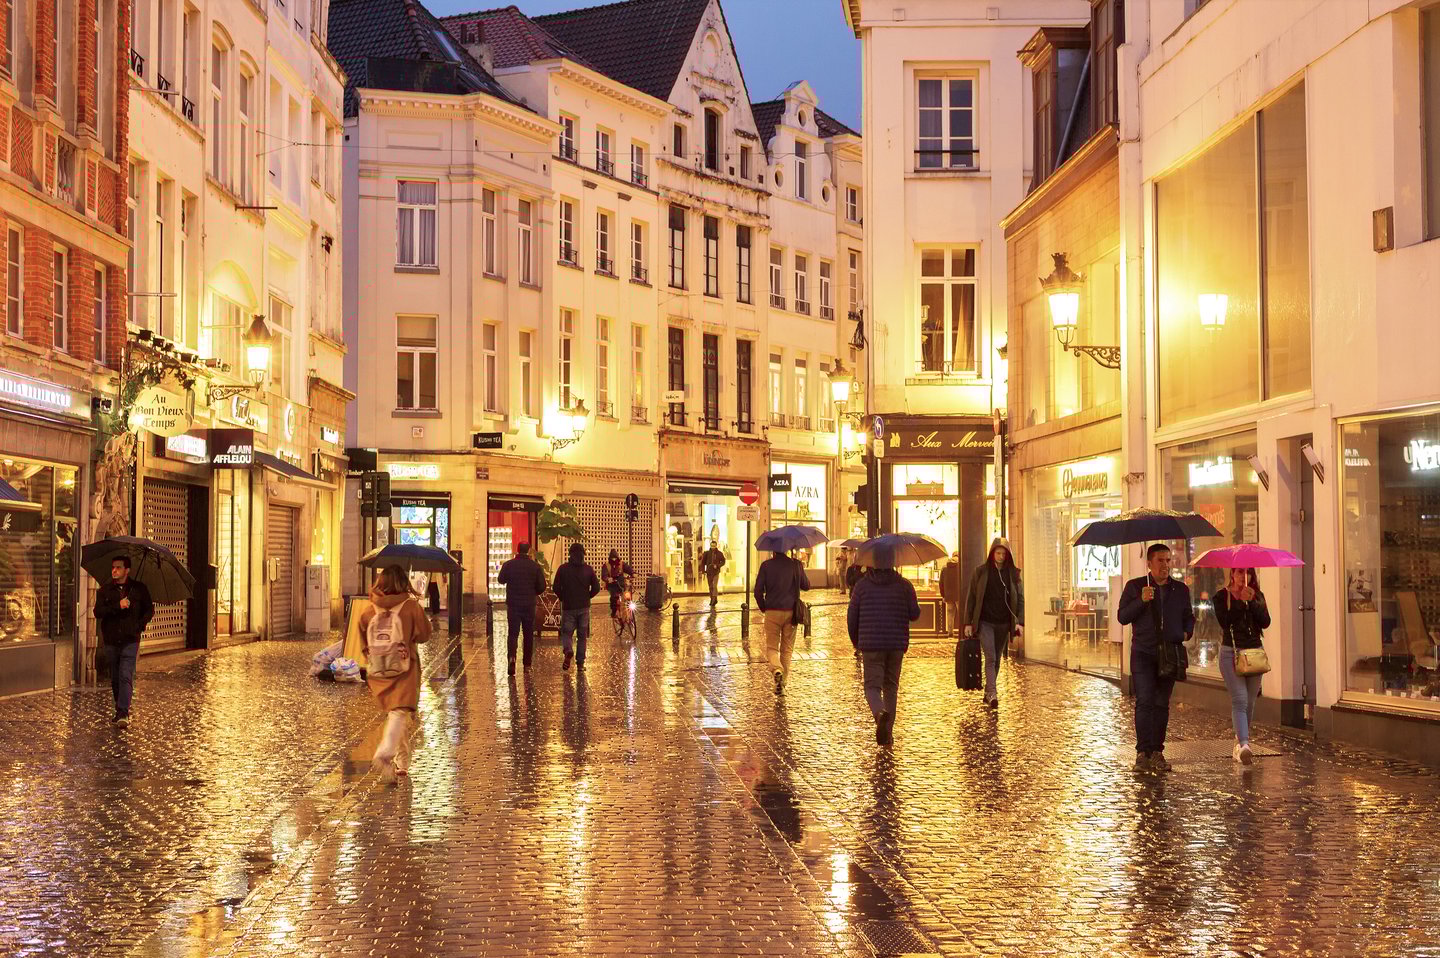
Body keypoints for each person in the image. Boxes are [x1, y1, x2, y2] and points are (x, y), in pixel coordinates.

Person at [1116, 543, 1195, 772]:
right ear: (1149, 563)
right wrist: (1141, 600)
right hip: (1143, 652)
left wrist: (1186, 633)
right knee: (1145, 702)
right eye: (1160, 560)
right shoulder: (1135, 586)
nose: (1165, 565)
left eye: (1168, 560)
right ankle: (1143, 752)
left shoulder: (1179, 590)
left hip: (1169, 653)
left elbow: (1188, 617)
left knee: (1161, 704)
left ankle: (1157, 752)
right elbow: (1122, 617)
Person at [359, 565, 432, 784]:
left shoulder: (369, 609)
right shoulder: (410, 607)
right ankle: (385, 753)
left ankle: (401, 762)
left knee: (395, 712)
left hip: (378, 669)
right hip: (404, 667)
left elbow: (363, 639)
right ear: (403, 583)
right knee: (400, 711)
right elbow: (425, 634)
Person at [847, 552, 921, 745]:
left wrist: (857, 641)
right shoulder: (904, 585)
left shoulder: (861, 586)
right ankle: (887, 734)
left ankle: (880, 714)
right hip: (896, 643)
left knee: (872, 686)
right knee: (891, 686)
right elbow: (915, 614)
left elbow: (852, 616)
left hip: (870, 643)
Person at [1213, 567, 1270, 765]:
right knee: (1240, 698)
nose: (1243, 577)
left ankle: (1239, 741)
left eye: (1248, 573)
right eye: (1239, 572)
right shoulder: (1222, 596)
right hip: (1231, 653)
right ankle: (1245, 744)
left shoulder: (1257, 595)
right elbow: (1224, 621)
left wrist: (1253, 602)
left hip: (1254, 653)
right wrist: (1239, 603)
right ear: (1232, 574)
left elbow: (1265, 622)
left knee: (1250, 702)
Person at [962, 539, 1024, 708]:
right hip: (985, 622)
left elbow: (1020, 599)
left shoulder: (1013, 574)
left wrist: (1020, 622)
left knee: (996, 660)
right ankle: (992, 694)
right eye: (998, 553)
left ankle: (989, 691)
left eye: (1004, 554)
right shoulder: (981, 572)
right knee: (991, 657)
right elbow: (972, 598)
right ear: (992, 553)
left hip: (1004, 623)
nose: (1001, 557)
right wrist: (968, 623)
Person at [93, 556, 154, 725]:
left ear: (127, 570)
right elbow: (98, 612)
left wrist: (139, 625)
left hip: (130, 639)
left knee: (126, 674)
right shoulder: (105, 590)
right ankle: (119, 709)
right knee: (115, 677)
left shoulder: (139, 589)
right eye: (113, 567)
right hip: (111, 639)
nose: (114, 570)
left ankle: (123, 712)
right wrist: (117, 606)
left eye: (118, 568)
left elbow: (149, 610)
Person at [753, 550, 810, 695]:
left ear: (773, 550)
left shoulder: (766, 566)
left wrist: (764, 607)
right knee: (787, 649)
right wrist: (798, 566)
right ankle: (782, 683)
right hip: (791, 612)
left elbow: (757, 591)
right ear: (786, 549)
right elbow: (806, 585)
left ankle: (777, 669)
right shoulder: (795, 565)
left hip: (772, 610)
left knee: (772, 647)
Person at [497, 543, 546, 673]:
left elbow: (501, 580)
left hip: (513, 604)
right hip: (529, 604)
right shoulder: (535, 567)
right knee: (528, 634)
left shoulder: (509, 565)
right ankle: (527, 664)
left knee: (513, 633)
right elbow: (542, 586)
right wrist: (533, 592)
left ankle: (512, 658)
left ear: (517, 550)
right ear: (529, 550)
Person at [553, 543, 602, 671]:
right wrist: (588, 596)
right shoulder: (588, 569)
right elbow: (596, 588)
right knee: (582, 636)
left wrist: (563, 597)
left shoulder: (563, 569)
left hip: (568, 606)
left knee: (567, 633)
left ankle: (568, 650)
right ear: (583, 555)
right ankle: (580, 663)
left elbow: (555, 587)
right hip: (584, 607)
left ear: (570, 554)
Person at [600, 549, 635, 618]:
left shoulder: (621, 563)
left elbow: (628, 569)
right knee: (614, 597)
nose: (614, 559)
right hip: (612, 585)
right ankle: (614, 611)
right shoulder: (606, 565)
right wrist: (607, 579)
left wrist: (633, 573)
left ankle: (628, 610)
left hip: (621, 583)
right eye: (612, 558)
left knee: (627, 595)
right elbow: (604, 575)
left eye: (615, 558)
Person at [939, 552, 963, 637]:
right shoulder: (961, 567)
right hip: (959, 595)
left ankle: (950, 633)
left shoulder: (944, 567)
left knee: (950, 615)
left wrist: (943, 595)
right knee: (961, 614)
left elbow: (941, 583)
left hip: (948, 595)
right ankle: (962, 632)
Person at [701, 541, 726, 607]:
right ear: (710, 545)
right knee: (710, 587)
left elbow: (723, 561)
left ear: (716, 546)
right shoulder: (706, 553)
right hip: (709, 572)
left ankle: (713, 599)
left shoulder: (719, 553)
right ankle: (713, 598)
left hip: (716, 572)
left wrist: (717, 565)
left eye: (714, 546)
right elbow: (703, 562)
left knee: (714, 586)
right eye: (711, 546)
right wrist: (703, 571)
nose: (713, 547)